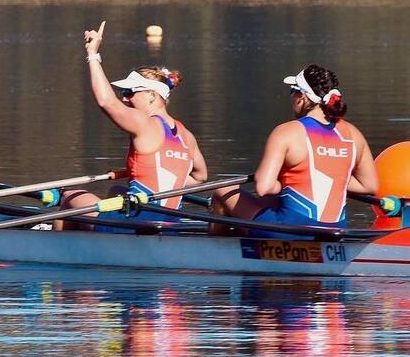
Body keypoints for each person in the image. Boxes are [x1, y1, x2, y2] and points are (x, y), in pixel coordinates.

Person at [56, 21, 207, 232]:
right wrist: (161, 171)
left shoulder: (145, 123)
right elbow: (201, 178)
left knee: (69, 197)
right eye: (123, 94)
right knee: (118, 189)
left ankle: (62, 251)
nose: (125, 99)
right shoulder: (186, 135)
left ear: (152, 97)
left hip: (137, 224)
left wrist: (93, 54)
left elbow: (106, 102)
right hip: (170, 225)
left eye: (130, 93)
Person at [211, 64, 378, 236]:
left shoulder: (287, 132)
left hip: (289, 231)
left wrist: (287, 181)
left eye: (292, 91)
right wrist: (329, 176)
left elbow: (263, 187)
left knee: (222, 192)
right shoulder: (353, 135)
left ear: (302, 97)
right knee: (272, 200)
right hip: (336, 230)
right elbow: (370, 186)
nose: (291, 97)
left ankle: (217, 252)